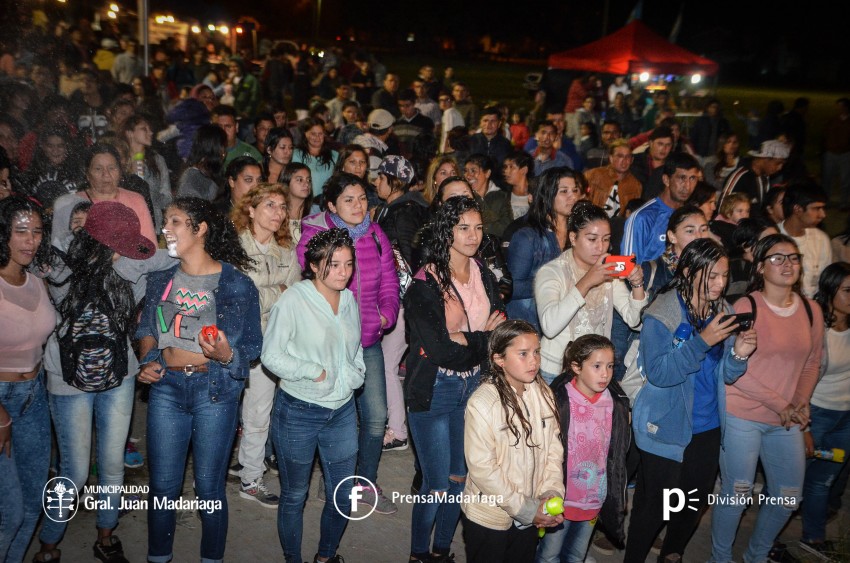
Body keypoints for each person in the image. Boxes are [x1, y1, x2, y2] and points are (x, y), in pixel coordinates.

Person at [136, 197, 262, 563]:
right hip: (166, 389)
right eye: (165, 221)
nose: (166, 228)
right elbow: (146, 327)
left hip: (215, 392)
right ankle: (158, 557)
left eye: (174, 221)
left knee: (209, 487)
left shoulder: (237, 284)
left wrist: (227, 355)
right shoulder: (160, 278)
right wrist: (148, 359)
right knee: (162, 487)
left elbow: (253, 345)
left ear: (200, 228)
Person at [36, 201, 157, 563]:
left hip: (96, 374)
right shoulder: (129, 266)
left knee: (92, 466)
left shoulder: (58, 264)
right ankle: (73, 541)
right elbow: (168, 255)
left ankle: (74, 542)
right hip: (94, 374)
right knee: (91, 467)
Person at [625, 239, 756, 563]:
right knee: (654, 507)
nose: (720, 284)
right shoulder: (662, 312)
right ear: (687, 271)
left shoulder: (722, 310)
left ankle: (672, 553)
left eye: (724, 276)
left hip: (708, 425)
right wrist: (701, 342)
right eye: (711, 276)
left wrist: (739, 354)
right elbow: (658, 373)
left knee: (692, 503)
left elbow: (722, 375)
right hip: (665, 425)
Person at [710, 234, 824, 563]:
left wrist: (800, 402)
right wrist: (782, 404)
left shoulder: (810, 309)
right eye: (777, 258)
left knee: (789, 496)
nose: (787, 264)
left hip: (786, 418)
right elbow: (733, 369)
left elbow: (813, 361)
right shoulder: (747, 307)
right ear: (760, 267)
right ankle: (719, 558)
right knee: (737, 493)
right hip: (742, 415)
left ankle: (756, 555)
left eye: (793, 258)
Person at [405, 196, 506, 563]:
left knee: (459, 479)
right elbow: (441, 351)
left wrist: (468, 341)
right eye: (463, 227)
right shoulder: (424, 284)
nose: (473, 235)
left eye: (478, 227)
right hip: (434, 389)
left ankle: (441, 551)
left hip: (474, 388)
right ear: (446, 231)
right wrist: (481, 339)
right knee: (435, 484)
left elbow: (498, 333)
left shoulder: (483, 274)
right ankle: (419, 555)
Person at [297, 173, 400, 513]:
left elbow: (389, 282)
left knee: (375, 417)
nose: (358, 206)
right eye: (348, 200)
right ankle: (335, 484)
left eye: (362, 199)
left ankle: (364, 484)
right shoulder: (315, 234)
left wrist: (386, 313)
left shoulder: (376, 234)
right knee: (332, 418)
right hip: (326, 343)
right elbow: (308, 275)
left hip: (366, 340)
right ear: (331, 205)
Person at [261, 228, 363, 563]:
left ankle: (325, 556)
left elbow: (356, 347)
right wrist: (313, 370)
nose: (343, 272)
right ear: (315, 264)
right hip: (298, 411)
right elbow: (271, 356)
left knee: (343, 493)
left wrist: (355, 373)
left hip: (342, 411)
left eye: (348, 264)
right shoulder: (293, 299)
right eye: (334, 264)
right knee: (294, 495)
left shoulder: (348, 300)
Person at [462, 321, 564, 563]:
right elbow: (484, 470)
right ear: (499, 359)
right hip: (490, 517)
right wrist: (527, 509)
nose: (534, 361)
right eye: (523, 354)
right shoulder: (483, 403)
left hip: (530, 514)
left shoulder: (543, 394)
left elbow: (553, 450)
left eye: (537, 352)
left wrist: (550, 492)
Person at [227, 183, 301, 507]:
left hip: (271, 340)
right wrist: (276, 290)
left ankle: (250, 478)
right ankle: (215, 475)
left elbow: (295, 292)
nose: (279, 212)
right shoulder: (234, 247)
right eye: (270, 204)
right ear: (252, 209)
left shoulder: (287, 247)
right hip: (232, 340)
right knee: (224, 411)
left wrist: (266, 292)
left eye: (283, 206)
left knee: (259, 411)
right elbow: (238, 296)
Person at [537, 334, 630, 563]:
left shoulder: (615, 403)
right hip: (561, 497)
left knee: (576, 556)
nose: (605, 374)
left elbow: (616, 456)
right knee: (549, 555)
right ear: (576, 367)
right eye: (596, 366)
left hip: (593, 498)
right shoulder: (558, 399)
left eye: (609, 366)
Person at [535, 201, 647, 384]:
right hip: (556, 373)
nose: (601, 247)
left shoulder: (609, 271)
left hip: (595, 371)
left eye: (606, 239)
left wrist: (637, 285)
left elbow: (636, 321)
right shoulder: (552, 272)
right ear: (573, 238)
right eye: (592, 239)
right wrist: (587, 281)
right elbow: (549, 326)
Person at [0, 196, 55, 563]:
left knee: (36, 503)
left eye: (36, 232)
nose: (30, 241)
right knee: (10, 513)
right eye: (21, 231)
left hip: (34, 396)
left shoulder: (36, 280)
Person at [373, 155, 429, 451]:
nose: (375, 182)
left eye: (379, 177)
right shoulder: (399, 208)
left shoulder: (404, 212)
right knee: (390, 362)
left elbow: (407, 259)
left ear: (392, 180)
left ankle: (398, 430)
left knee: (386, 362)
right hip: (403, 298)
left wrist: (400, 300)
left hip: (404, 299)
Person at [803, 262, 850, 553]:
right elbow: (801, 377)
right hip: (815, 413)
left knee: (823, 481)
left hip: (845, 419)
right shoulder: (815, 327)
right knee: (790, 483)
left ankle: (813, 540)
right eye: (847, 290)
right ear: (830, 290)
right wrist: (804, 426)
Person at [506, 167, 582, 330]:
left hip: (566, 324)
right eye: (564, 191)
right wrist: (554, 283)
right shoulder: (528, 237)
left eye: (575, 190)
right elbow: (512, 287)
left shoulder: (579, 233)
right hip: (528, 325)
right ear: (547, 195)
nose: (573, 196)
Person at [52, 143, 156, 252]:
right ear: (87, 174)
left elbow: (150, 250)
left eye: (112, 168)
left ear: (120, 172)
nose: (106, 174)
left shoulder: (136, 200)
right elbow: (59, 251)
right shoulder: (70, 204)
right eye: (98, 169)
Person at [621, 152, 701, 263]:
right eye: (682, 178)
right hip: (650, 279)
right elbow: (627, 266)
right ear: (666, 180)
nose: (687, 186)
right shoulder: (642, 217)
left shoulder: (693, 216)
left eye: (692, 178)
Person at [778, 181, 832, 297]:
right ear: (797, 209)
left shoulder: (821, 239)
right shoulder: (774, 238)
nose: (823, 215)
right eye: (816, 208)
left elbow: (825, 282)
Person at [122, 114, 171, 230]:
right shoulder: (120, 160)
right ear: (130, 133)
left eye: (150, 129)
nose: (150, 133)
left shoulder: (157, 160)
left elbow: (168, 198)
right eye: (144, 129)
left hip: (154, 225)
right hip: (127, 225)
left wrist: (151, 196)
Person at [721, 139, 789, 209]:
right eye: (778, 163)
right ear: (765, 159)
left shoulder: (764, 178)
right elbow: (722, 207)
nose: (780, 168)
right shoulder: (740, 176)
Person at [585, 139, 641, 218]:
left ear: (632, 160)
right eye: (620, 156)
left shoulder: (636, 185)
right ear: (611, 158)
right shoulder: (593, 175)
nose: (624, 160)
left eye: (628, 157)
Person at [464, 154, 513, 238]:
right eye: (466, 171)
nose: (468, 175)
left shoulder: (501, 196)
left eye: (473, 171)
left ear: (487, 173)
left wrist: (479, 226)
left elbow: (506, 229)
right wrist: (493, 220)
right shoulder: (464, 196)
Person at [176, 124, 227, 203]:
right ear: (213, 148)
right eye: (222, 146)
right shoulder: (192, 177)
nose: (224, 152)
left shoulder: (210, 173)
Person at [293, 117, 339, 197]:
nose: (317, 137)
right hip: (303, 201)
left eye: (320, 133)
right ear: (305, 133)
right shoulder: (296, 154)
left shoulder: (334, 155)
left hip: (326, 202)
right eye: (313, 134)